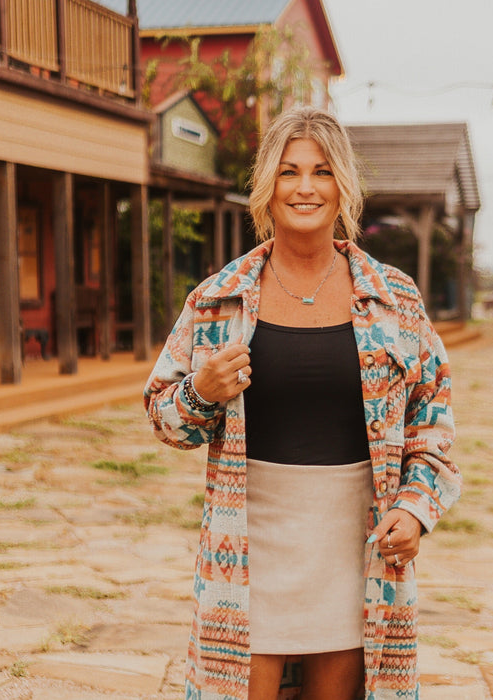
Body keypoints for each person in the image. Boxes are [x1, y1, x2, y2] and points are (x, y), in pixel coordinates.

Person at [144, 105, 462, 700]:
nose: (306, 188)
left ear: (344, 186)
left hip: (355, 549)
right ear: (267, 187)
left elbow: (432, 421)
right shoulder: (219, 299)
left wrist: (417, 509)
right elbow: (165, 419)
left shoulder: (393, 298)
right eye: (289, 172)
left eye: (321, 172)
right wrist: (200, 393)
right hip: (247, 547)